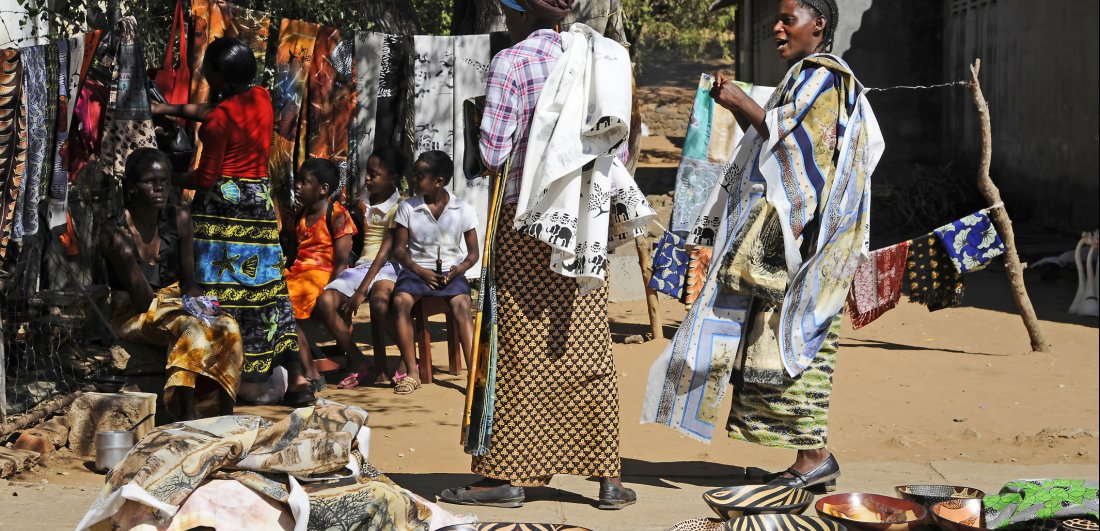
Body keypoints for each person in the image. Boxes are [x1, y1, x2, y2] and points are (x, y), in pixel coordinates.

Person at [642, 0, 884, 493]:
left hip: (807, 244)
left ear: (818, 25)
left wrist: (738, 103)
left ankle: (815, 456)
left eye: (787, 19)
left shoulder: (821, 76)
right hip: (800, 242)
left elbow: (796, 146)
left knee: (797, 344)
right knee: (780, 343)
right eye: (776, 18)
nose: (776, 27)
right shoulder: (807, 76)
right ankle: (810, 456)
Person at [440, 0, 639, 510]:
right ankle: (607, 477)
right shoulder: (601, 55)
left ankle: (506, 475)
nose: (506, 18)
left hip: (528, 224)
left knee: (519, 351)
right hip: (585, 223)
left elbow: (492, 154)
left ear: (521, 11)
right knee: (586, 344)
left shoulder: (513, 62)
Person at [152, 37, 314, 406]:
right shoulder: (261, 98)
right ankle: (300, 379)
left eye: (207, 69)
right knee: (268, 293)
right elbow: (214, 113)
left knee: (216, 293)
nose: (203, 74)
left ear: (219, 76)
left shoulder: (219, 121)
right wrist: (170, 107)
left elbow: (206, 178)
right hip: (258, 209)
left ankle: (218, 383)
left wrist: (170, 179)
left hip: (223, 216)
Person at [100, 148, 243, 420]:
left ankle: (226, 413)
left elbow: (190, 283)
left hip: (174, 300)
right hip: (132, 311)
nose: (159, 188)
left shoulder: (179, 218)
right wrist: (187, 312)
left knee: (228, 326)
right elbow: (143, 303)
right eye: (150, 181)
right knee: (191, 329)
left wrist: (202, 308)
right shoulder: (114, 234)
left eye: (164, 180)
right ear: (131, 187)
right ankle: (184, 413)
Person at [388, 150, 478, 395]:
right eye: (414, 174)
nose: (414, 180)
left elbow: (472, 255)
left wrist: (458, 269)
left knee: (462, 306)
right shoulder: (408, 207)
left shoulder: (463, 209)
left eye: (420, 176)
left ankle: (473, 377)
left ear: (439, 182)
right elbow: (399, 250)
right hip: (416, 271)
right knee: (400, 302)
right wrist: (421, 271)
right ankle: (411, 373)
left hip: (451, 272)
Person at [321, 146, 406, 389]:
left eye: (374, 174)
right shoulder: (363, 202)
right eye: (367, 173)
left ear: (393, 178)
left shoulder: (398, 207)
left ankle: (407, 357)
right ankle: (358, 361)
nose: (367, 178)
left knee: (379, 303)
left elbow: (384, 252)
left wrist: (360, 291)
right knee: (326, 301)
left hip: (389, 266)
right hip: (363, 266)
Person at [283, 158, 357, 390]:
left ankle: (310, 370)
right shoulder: (300, 215)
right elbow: (294, 252)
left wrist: (331, 291)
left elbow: (342, 261)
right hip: (298, 273)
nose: (298, 186)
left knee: (284, 308)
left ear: (323, 189)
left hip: (321, 275)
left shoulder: (337, 214)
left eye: (305, 182)